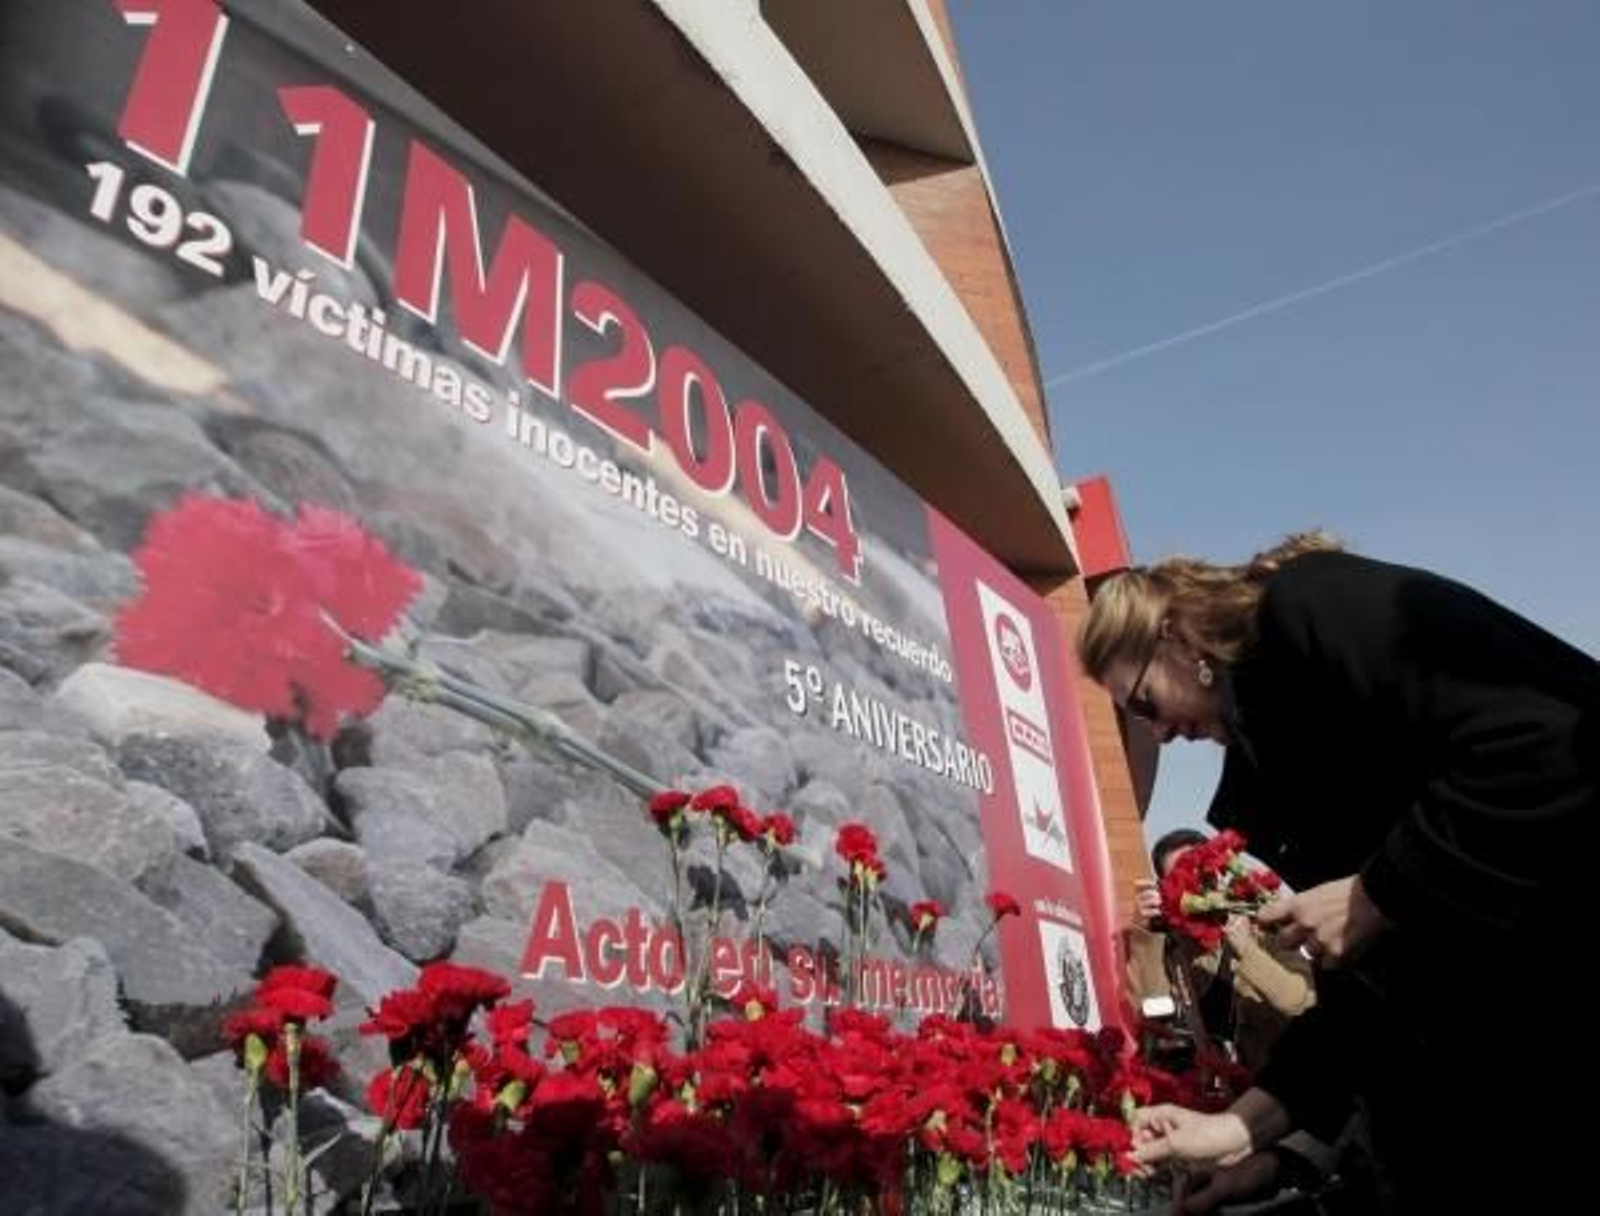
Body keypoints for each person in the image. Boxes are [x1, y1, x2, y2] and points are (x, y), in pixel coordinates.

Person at [1079, 533, 1598, 1212]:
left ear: (1178, 639)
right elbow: (1372, 993)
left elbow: (1553, 736)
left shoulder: (1310, 606)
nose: (1161, 735)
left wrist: (1376, 893)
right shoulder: (1271, 774)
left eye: (1143, 704)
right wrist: (1238, 1130)